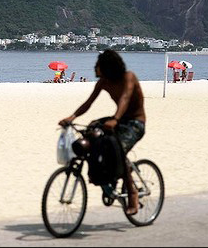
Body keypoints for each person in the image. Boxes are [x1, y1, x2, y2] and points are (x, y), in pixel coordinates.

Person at [59, 49, 146, 216]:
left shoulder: (129, 77)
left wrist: (115, 119)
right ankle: (100, 175)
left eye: (97, 66)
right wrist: (72, 117)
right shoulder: (103, 82)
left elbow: (125, 98)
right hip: (118, 119)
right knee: (90, 131)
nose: (94, 68)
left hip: (135, 122)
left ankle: (133, 193)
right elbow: (88, 103)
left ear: (107, 67)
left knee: (119, 150)